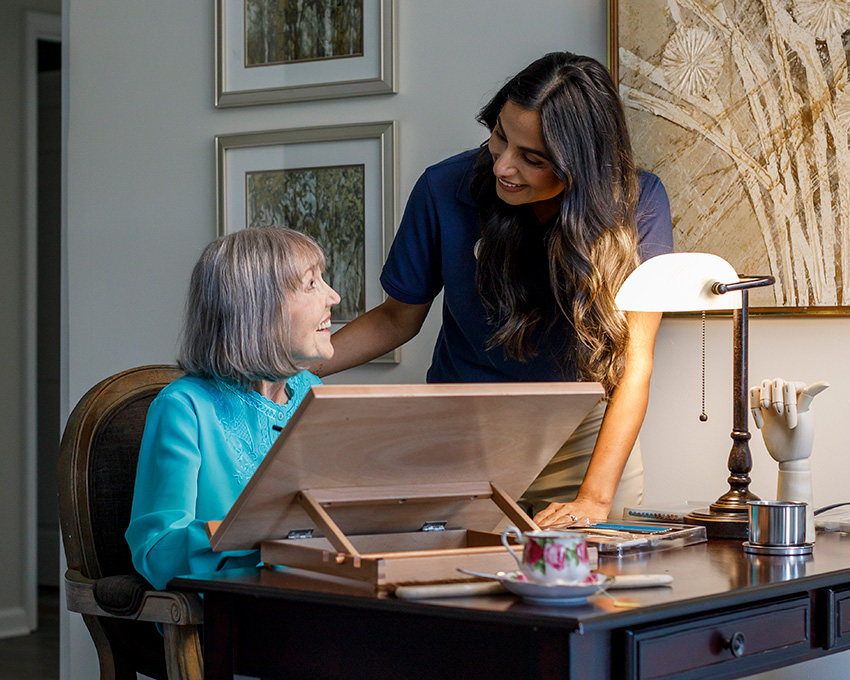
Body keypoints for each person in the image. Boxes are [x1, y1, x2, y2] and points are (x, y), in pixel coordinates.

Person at [310, 52, 673, 526]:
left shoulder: (639, 202)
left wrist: (595, 499)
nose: (503, 166)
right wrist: (282, 368)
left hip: (583, 445)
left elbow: (635, 362)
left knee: (588, 595)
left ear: (578, 165)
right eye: (499, 136)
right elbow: (396, 318)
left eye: (532, 158)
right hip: (462, 436)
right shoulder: (443, 188)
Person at [125, 226, 340, 590]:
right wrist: (263, 539)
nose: (332, 296)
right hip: (234, 617)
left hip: (317, 594)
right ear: (258, 307)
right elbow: (157, 549)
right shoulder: (184, 407)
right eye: (311, 284)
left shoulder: (311, 392)